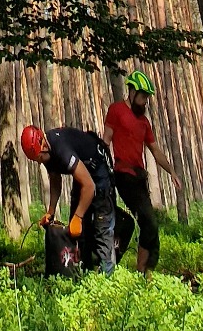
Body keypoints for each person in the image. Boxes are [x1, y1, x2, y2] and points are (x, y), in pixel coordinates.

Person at [104, 72, 180, 274]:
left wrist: (171, 171)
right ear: (132, 91)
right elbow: (106, 141)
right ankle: (143, 271)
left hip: (138, 178)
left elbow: (155, 151)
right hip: (123, 175)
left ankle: (146, 271)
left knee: (151, 226)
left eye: (147, 97)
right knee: (148, 221)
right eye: (143, 96)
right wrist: (102, 171)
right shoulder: (116, 110)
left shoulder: (144, 122)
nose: (145, 101)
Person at [21, 122, 118, 276]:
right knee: (79, 232)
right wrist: (51, 211)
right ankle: (84, 273)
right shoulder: (46, 155)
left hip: (98, 171)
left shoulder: (61, 149)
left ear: (43, 146)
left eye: (39, 157)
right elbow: (55, 180)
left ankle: (108, 277)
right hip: (83, 177)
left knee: (102, 227)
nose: (39, 161)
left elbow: (90, 186)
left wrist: (78, 217)